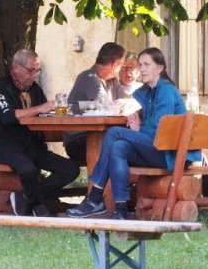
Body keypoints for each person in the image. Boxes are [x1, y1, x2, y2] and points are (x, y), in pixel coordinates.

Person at [67, 47, 201, 220]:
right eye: (141, 65)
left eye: (147, 65)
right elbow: (140, 111)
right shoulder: (148, 92)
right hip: (157, 149)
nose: (142, 69)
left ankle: (95, 197)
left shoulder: (166, 90)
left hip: (170, 154)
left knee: (114, 133)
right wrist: (135, 114)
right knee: (118, 146)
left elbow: (161, 131)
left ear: (160, 68)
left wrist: (138, 129)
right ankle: (121, 209)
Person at [0, 49, 79, 217]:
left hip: (33, 147)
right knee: (28, 169)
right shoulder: (1, 88)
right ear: (16, 67)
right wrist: (39, 108)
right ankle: (38, 205)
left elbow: (43, 114)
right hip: (8, 148)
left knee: (70, 169)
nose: (35, 75)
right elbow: (7, 116)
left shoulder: (35, 89)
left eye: (38, 71)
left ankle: (26, 196)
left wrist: (58, 112)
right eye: (31, 70)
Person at [63, 42, 127, 161]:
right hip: (78, 140)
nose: (122, 69)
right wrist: (120, 106)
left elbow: (129, 100)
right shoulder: (89, 77)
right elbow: (106, 106)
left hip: (99, 135)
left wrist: (124, 104)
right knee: (121, 147)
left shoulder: (112, 81)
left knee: (125, 144)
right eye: (122, 65)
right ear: (114, 64)